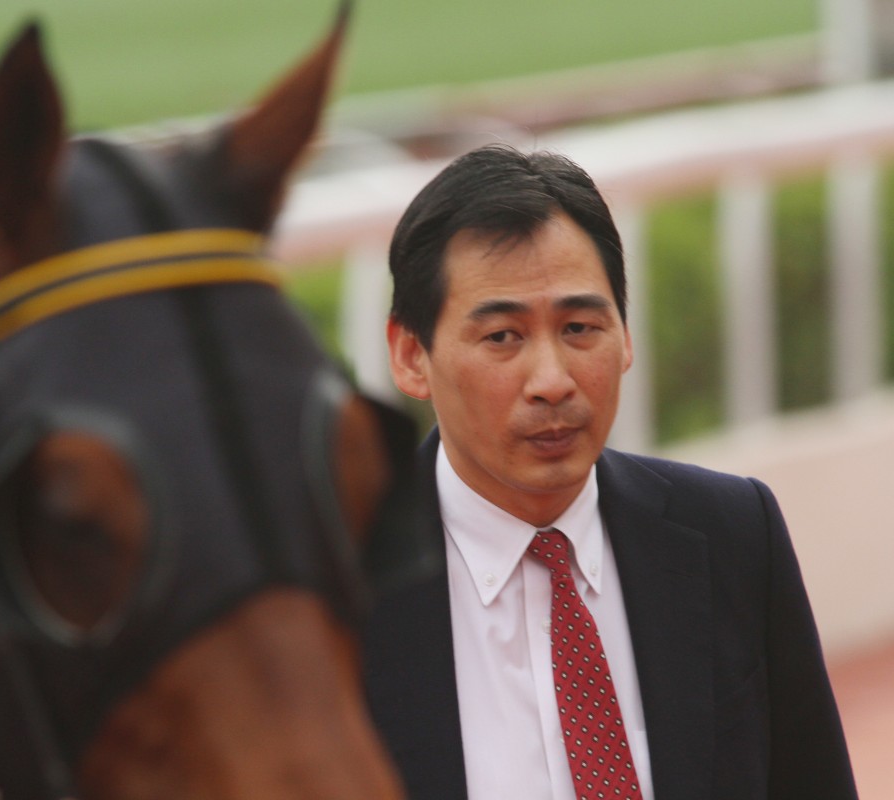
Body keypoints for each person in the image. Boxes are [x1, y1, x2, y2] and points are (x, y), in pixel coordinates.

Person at [362, 143, 857, 800]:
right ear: (410, 355)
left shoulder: (733, 533)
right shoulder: (338, 582)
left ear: (625, 336)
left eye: (579, 327)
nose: (552, 381)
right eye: (502, 337)